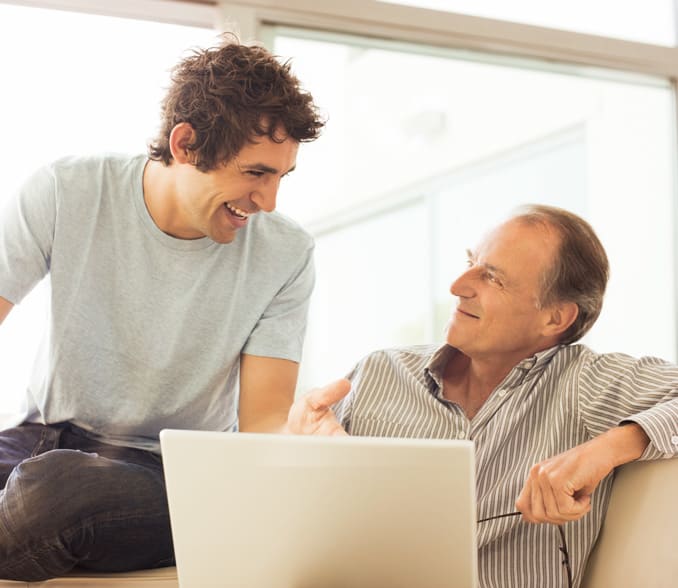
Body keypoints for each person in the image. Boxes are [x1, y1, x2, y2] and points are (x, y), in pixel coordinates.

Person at [0, 36, 324, 581]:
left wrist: (302, 442)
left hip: (170, 470)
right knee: (44, 478)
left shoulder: (286, 253)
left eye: (280, 177)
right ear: (186, 144)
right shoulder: (68, 189)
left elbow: (265, 418)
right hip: (41, 438)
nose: (268, 202)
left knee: (54, 494)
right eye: (256, 173)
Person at [286, 204, 678, 588]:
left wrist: (608, 448)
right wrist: (298, 453)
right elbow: (293, 522)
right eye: (470, 261)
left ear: (555, 318)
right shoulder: (379, 375)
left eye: (492, 278)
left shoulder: (582, 382)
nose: (458, 286)